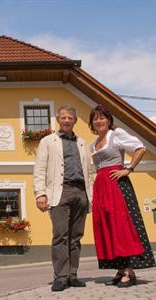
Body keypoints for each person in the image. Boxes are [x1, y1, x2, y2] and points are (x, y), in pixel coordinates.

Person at [89, 104, 156, 288]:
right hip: (101, 186)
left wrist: (128, 169)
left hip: (117, 185)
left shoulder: (116, 134)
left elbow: (140, 148)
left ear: (109, 120)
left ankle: (129, 271)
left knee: (121, 225)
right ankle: (119, 269)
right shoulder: (93, 144)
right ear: (92, 123)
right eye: (95, 118)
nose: (99, 120)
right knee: (107, 226)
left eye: (102, 117)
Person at [34, 104, 93, 292]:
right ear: (58, 120)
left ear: (75, 120)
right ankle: (61, 277)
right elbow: (39, 169)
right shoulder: (47, 141)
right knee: (61, 236)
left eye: (70, 117)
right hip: (60, 192)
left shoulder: (82, 143)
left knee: (76, 237)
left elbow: (89, 172)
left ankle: (73, 275)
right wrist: (40, 194)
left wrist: (90, 195)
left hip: (81, 193)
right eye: (63, 117)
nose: (67, 120)